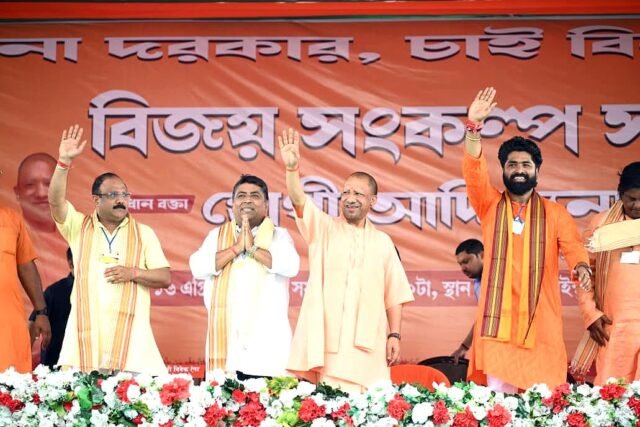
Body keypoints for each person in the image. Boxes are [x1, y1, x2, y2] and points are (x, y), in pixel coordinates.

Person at [462, 87, 591, 392]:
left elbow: (573, 246)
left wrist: (581, 266)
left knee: (542, 404)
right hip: (498, 327)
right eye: (512, 165)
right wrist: (473, 126)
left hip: (540, 324)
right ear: (503, 170)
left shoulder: (555, 213)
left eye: (526, 165)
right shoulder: (489, 204)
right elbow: (474, 172)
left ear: (537, 172)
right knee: (498, 407)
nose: (519, 170)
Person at [278, 128, 415, 392]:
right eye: (346, 193)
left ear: (373, 201)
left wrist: (395, 334)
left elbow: (395, 294)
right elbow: (298, 200)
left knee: (369, 407)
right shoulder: (323, 229)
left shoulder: (383, 242)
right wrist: (292, 169)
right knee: (332, 404)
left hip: (370, 345)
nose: (350, 199)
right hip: (330, 345)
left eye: (358, 194)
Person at [48, 124, 171, 375]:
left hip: (133, 344)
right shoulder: (78, 226)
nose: (121, 199)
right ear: (97, 200)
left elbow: (164, 277)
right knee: (82, 399)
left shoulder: (144, 233)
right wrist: (63, 163)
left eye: (125, 194)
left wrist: (133, 273)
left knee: (135, 400)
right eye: (113, 194)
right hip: (85, 341)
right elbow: (55, 202)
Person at [190, 175, 300, 380]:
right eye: (241, 196)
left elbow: (291, 266)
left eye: (255, 196)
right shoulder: (217, 236)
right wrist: (235, 248)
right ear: (233, 204)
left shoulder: (279, 236)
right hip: (227, 343)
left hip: (266, 344)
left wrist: (252, 249)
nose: (247, 200)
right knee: (224, 399)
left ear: (266, 205)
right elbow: (197, 267)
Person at [572, 161, 640, 384]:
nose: (637, 205)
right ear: (620, 194)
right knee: (614, 393)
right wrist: (590, 314)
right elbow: (585, 273)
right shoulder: (601, 225)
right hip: (614, 326)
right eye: (631, 199)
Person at [0, 170, 51, 372]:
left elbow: (26, 266)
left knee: (11, 384)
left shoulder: (11, 218)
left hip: (7, 322)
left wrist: (41, 312)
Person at [14, 153, 69, 288]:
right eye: (30, 185)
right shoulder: (10, 237)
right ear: (17, 192)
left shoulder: (78, 237)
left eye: (49, 184)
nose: (41, 193)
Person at [29, 248, 74, 368]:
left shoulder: (101, 291)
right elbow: (32, 324)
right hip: (55, 363)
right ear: (71, 264)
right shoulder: (54, 292)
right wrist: (22, 360)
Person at [450, 238, 483, 364]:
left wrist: (464, 347)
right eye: (460, 264)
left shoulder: (497, 278)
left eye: (466, 261)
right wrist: (464, 347)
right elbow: (482, 319)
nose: (463, 268)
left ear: (481, 255)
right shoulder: (477, 285)